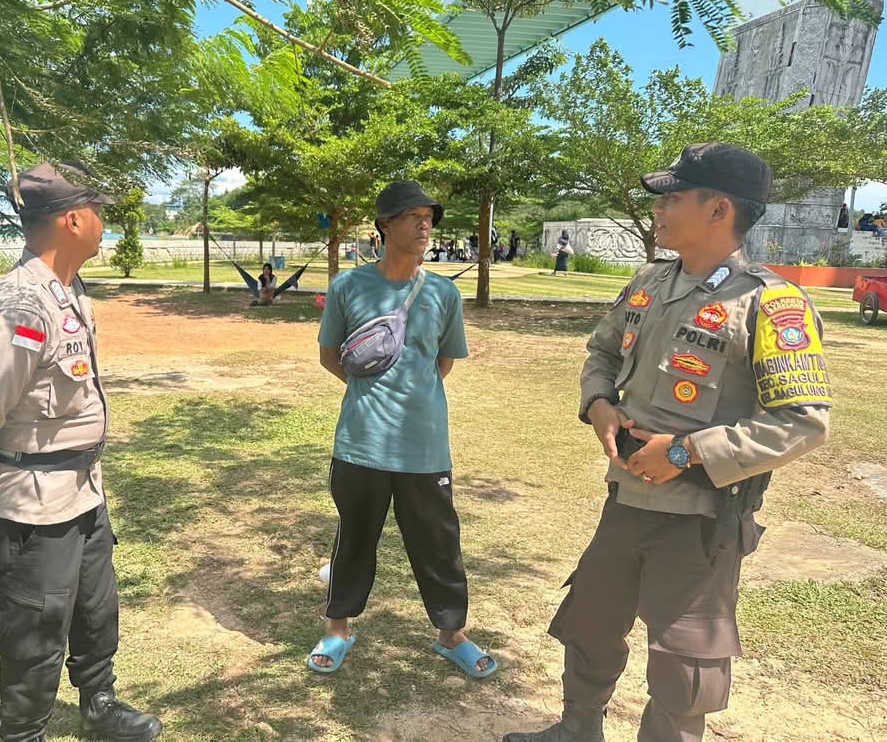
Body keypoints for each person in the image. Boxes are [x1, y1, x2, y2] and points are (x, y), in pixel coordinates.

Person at [503, 143, 832, 742]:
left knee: (684, 659)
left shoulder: (768, 303)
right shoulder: (650, 281)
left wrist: (685, 452)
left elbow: (804, 420)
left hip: (700, 517)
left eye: (674, 198)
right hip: (625, 500)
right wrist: (599, 404)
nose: (660, 209)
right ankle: (578, 730)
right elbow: (602, 353)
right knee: (592, 620)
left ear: (719, 209)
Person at [0, 162, 162, 742]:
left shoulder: (68, 289)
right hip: (33, 505)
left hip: (83, 490)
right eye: (98, 213)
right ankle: (24, 733)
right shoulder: (21, 303)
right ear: (72, 219)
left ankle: (100, 703)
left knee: (96, 611)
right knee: (36, 629)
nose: (103, 224)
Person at [309, 179, 496, 679]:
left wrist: (410, 395)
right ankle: (337, 628)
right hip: (360, 443)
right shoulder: (348, 286)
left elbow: (444, 361)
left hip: (425, 446)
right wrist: (373, 395)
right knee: (354, 539)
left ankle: (450, 634)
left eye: (428, 217)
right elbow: (331, 356)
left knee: (438, 542)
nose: (424, 225)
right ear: (385, 225)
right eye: (412, 216)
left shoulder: (443, 292)